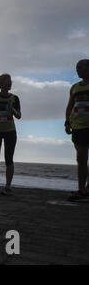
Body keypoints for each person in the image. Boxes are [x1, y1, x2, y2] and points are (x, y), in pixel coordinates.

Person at [65, 59, 89, 201]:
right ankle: (81, 189)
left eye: (80, 67)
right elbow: (70, 106)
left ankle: (87, 189)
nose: (77, 69)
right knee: (81, 158)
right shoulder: (74, 87)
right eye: (76, 67)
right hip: (78, 126)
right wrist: (67, 122)